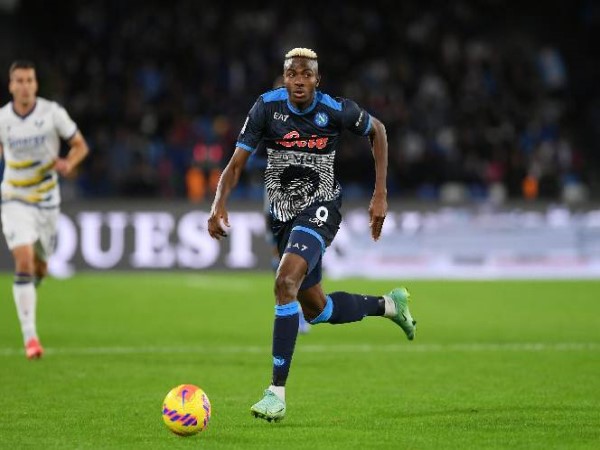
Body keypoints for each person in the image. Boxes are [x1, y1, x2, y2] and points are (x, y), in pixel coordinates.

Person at [207, 48, 416, 422]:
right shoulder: (266, 108)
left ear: (317, 80)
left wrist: (380, 193)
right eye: (292, 74)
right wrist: (218, 202)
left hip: (321, 206)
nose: (299, 81)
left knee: (285, 281)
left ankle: (275, 394)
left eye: (306, 74)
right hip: (282, 213)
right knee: (317, 310)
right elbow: (236, 164)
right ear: (284, 78)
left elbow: (378, 131)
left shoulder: (335, 110)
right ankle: (389, 305)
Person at [0, 60, 90, 359]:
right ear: (11, 85)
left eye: (29, 80)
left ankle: (34, 280)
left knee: (40, 267)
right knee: (23, 260)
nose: (25, 86)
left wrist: (69, 163)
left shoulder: (52, 113)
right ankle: (31, 339)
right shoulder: (2, 119)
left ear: (35, 84)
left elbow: (80, 145)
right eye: (19, 80)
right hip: (14, 198)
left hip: (47, 202)